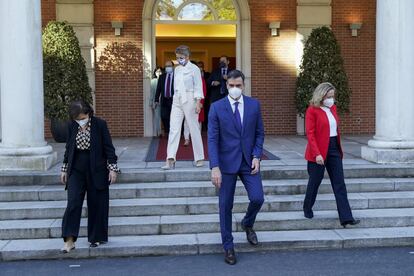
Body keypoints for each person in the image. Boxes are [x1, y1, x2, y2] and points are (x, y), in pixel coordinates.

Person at [208, 70, 265, 265]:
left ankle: (247, 223)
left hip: (249, 161)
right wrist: (214, 167)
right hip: (225, 163)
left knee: (258, 197)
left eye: (238, 85)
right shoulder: (216, 108)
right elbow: (212, 139)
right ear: (226, 85)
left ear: (243, 85)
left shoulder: (254, 105)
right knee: (225, 205)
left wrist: (257, 155)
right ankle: (228, 246)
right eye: (231, 85)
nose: (234, 89)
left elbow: (259, 134)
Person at [60, 100, 120, 253]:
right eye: (77, 119)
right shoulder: (72, 126)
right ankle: (69, 240)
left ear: (89, 113)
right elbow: (69, 148)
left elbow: (109, 148)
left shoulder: (100, 124)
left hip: (97, 169)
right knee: (73, 203)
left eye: (82, 118)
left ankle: (96, 237)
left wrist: (112, 168)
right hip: (76, 170)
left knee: (96, 203)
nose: (80, 121)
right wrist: (64, 168)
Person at [303, 82, 360, 228]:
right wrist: (317, 154)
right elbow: (310, 134)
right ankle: (307, 207)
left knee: (339, 183)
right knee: (315, 181)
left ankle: (346, 217)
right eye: (328, 96)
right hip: (318, 150)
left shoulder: (333, 108)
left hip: (334, 148)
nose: (331, 99)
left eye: (332, 96)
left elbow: (333, 129)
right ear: (321, 95)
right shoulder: (312, 110)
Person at [162, 45, 205, 169]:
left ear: (187, 57)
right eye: (177, 58)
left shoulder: (195, 69)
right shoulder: (177, 69)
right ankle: (170, 158)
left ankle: (199, 157)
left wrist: (198, 102)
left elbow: (198, 86)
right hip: (177, 99)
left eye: (180, 57)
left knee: (194, 128)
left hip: (190, 98)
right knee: (174, 128)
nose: (178, 60)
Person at [183, 61, 207, 146]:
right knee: (186, 121)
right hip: (187, 102)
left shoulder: (201, 78)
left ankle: (196, 139)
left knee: (198, 121)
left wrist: (201, 102)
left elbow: (203, 91)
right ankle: (186, 139)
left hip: (197, 102)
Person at [155, 61, 174, 135]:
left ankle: (173, 132)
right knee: (163, 116)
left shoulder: (176, 76)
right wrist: (156, 100)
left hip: (173, 100)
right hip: (164, 100)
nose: (168, 67)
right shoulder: (162, 77)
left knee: (173, 117)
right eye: (166, 66)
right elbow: (158, 89)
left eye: (169, 66)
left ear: (172, 67)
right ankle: (167, 131)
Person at [150, 67, 162, 136]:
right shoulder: (153, 81)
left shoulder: (163, 79)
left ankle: (164, 131)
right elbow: (152, 92)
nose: (159, 73)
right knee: (157, 118)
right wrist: (151, 102)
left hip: (163, 102)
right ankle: (158, 132)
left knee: (164, 117)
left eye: (160, 71)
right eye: (157, 71)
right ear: (155, 72)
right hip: (156, 102)